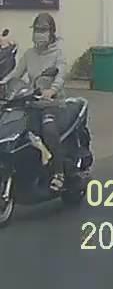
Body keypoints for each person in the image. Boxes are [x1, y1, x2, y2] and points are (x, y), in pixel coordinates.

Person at [0, 12, 68, 190]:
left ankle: (58, 172)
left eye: (43, 30)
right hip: (31, 102)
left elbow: (60, 75)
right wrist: (3, 84)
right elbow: (15, 74)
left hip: (51, 104)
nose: (39, 34)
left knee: (48, 129)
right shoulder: (29, 54)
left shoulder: (57, 54)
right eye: (37, 30)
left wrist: (51, 91)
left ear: (51, 32)